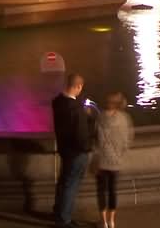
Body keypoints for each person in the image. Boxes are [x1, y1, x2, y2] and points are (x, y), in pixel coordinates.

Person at [52, 73, 93, 228]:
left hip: (64, 148)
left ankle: (58, 212)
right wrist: (87, 148)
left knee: (63, 182)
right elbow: (81, 135)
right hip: (77, 152)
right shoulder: (77, 109)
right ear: (78, 86)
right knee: (71, 185)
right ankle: (64, 220)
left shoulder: (57, 102)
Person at [93, 92, 135, 228]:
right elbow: (128, 139)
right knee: (112, 191)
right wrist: (120, 154)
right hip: (117, 162)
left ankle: (103, 221)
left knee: (101, 191)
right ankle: (112, 221)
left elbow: (97, 139)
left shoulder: (100, 117)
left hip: (102, 161)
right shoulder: (125, 118)